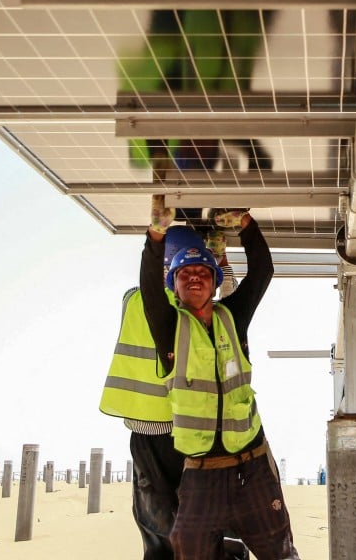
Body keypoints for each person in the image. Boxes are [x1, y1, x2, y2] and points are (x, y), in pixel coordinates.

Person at [140, 197, 300, 560]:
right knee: (189, 549)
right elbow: (150, 290)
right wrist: (155, 236)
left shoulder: (234, 317)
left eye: (202, 273)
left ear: (214, 283)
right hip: (200, 475)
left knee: (281, 551)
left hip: (252, 468)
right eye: (184, 275)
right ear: (175, 287)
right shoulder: (169, 329)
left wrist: (245, 222)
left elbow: (262, 271)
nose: (194, 278)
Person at [100, 224, 248, 560]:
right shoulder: (184, 307)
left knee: (155, 522)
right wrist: (219, 258)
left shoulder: (133, 299)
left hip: (144, 428)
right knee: (205, 516)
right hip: (188, 427)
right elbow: (226, 295)